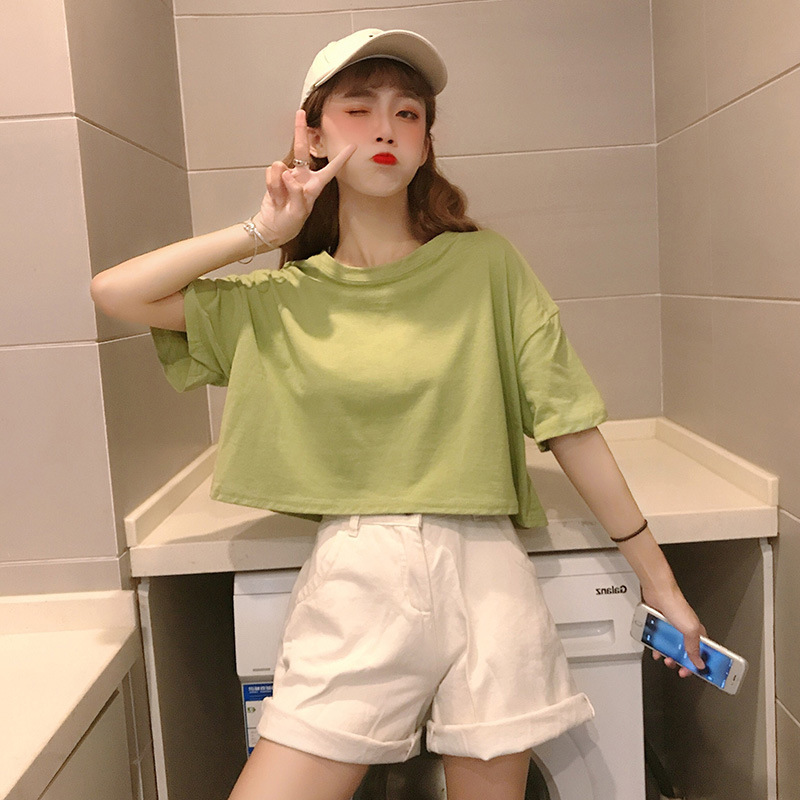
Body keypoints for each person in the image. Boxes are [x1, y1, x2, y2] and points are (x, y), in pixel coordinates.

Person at [91, 28, 706, 800]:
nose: (385, 128)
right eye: (359, 108)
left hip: (490, 574)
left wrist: (661, 584)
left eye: (407, 113)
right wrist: (263, 232)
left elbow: (569, 424)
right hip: (358, 574)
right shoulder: (283, 300)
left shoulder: (486, 264)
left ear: (425, 143)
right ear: (313, 135)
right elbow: (116, 293)